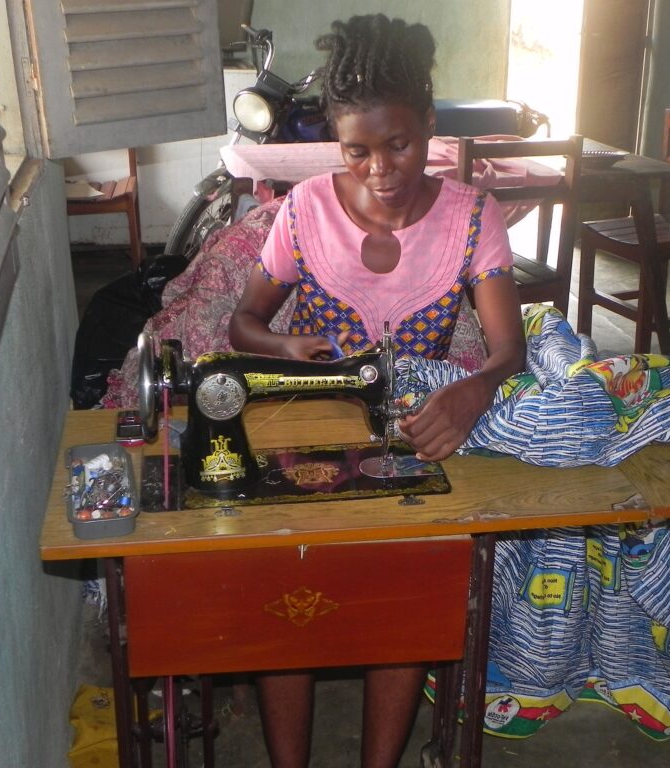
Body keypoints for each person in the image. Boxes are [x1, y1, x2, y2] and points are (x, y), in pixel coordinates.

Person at [228, 14, 526, 768]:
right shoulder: (304, 213)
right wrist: (282, 345)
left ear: (429, 125)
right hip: (305, 430)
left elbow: (508, 350)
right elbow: (244, 323)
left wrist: (477, 388)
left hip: (409, 439)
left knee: (403, 601)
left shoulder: (471, 220)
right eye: (357, 151)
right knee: (285, 597)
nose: (381, 169)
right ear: (337, 141)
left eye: (399, 145)